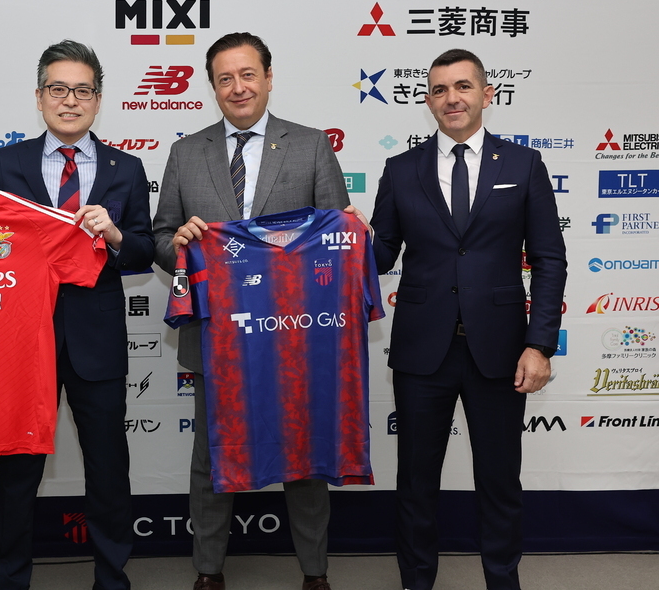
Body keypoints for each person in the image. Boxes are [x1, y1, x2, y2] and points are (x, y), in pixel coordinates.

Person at [357, 48, 566, 590]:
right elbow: (381, 256)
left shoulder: (523, 165)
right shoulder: (401, 169)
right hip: (422, 352)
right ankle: (416, 582)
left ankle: (502, 582)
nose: (451, 98)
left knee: (500, 483)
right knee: (415, 483)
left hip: (501, 351)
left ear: (486, 94)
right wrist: (352, 237)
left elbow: (549, 259)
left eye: (463, 86)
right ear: (428, 102)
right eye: (439, 89)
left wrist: (540, 344)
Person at [152, 32, 352, 590]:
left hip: (294, 334)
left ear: (267, 78)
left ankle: (315, 573)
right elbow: (160, 238)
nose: (237, 87)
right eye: (225, 79)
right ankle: (208, 571)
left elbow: (336, 240)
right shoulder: (185, 152)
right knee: (212, 457)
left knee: (304, 455)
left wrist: (347, 232)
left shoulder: (311, 145)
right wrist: (180, 245)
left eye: (247, 75)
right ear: (212, 87)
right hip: (215, 335)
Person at [0, 40, 155, 590]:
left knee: (108, 468)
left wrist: (115, 234)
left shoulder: (127, 168)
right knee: (18, 468)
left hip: (97, 339)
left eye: (82, 90)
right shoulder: (6, 164)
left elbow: (144, 252)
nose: (70, 100)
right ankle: (8, 580)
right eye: (58, 89)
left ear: (98, 100)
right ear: (39, 97)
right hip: (22, 341)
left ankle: (112, 579)